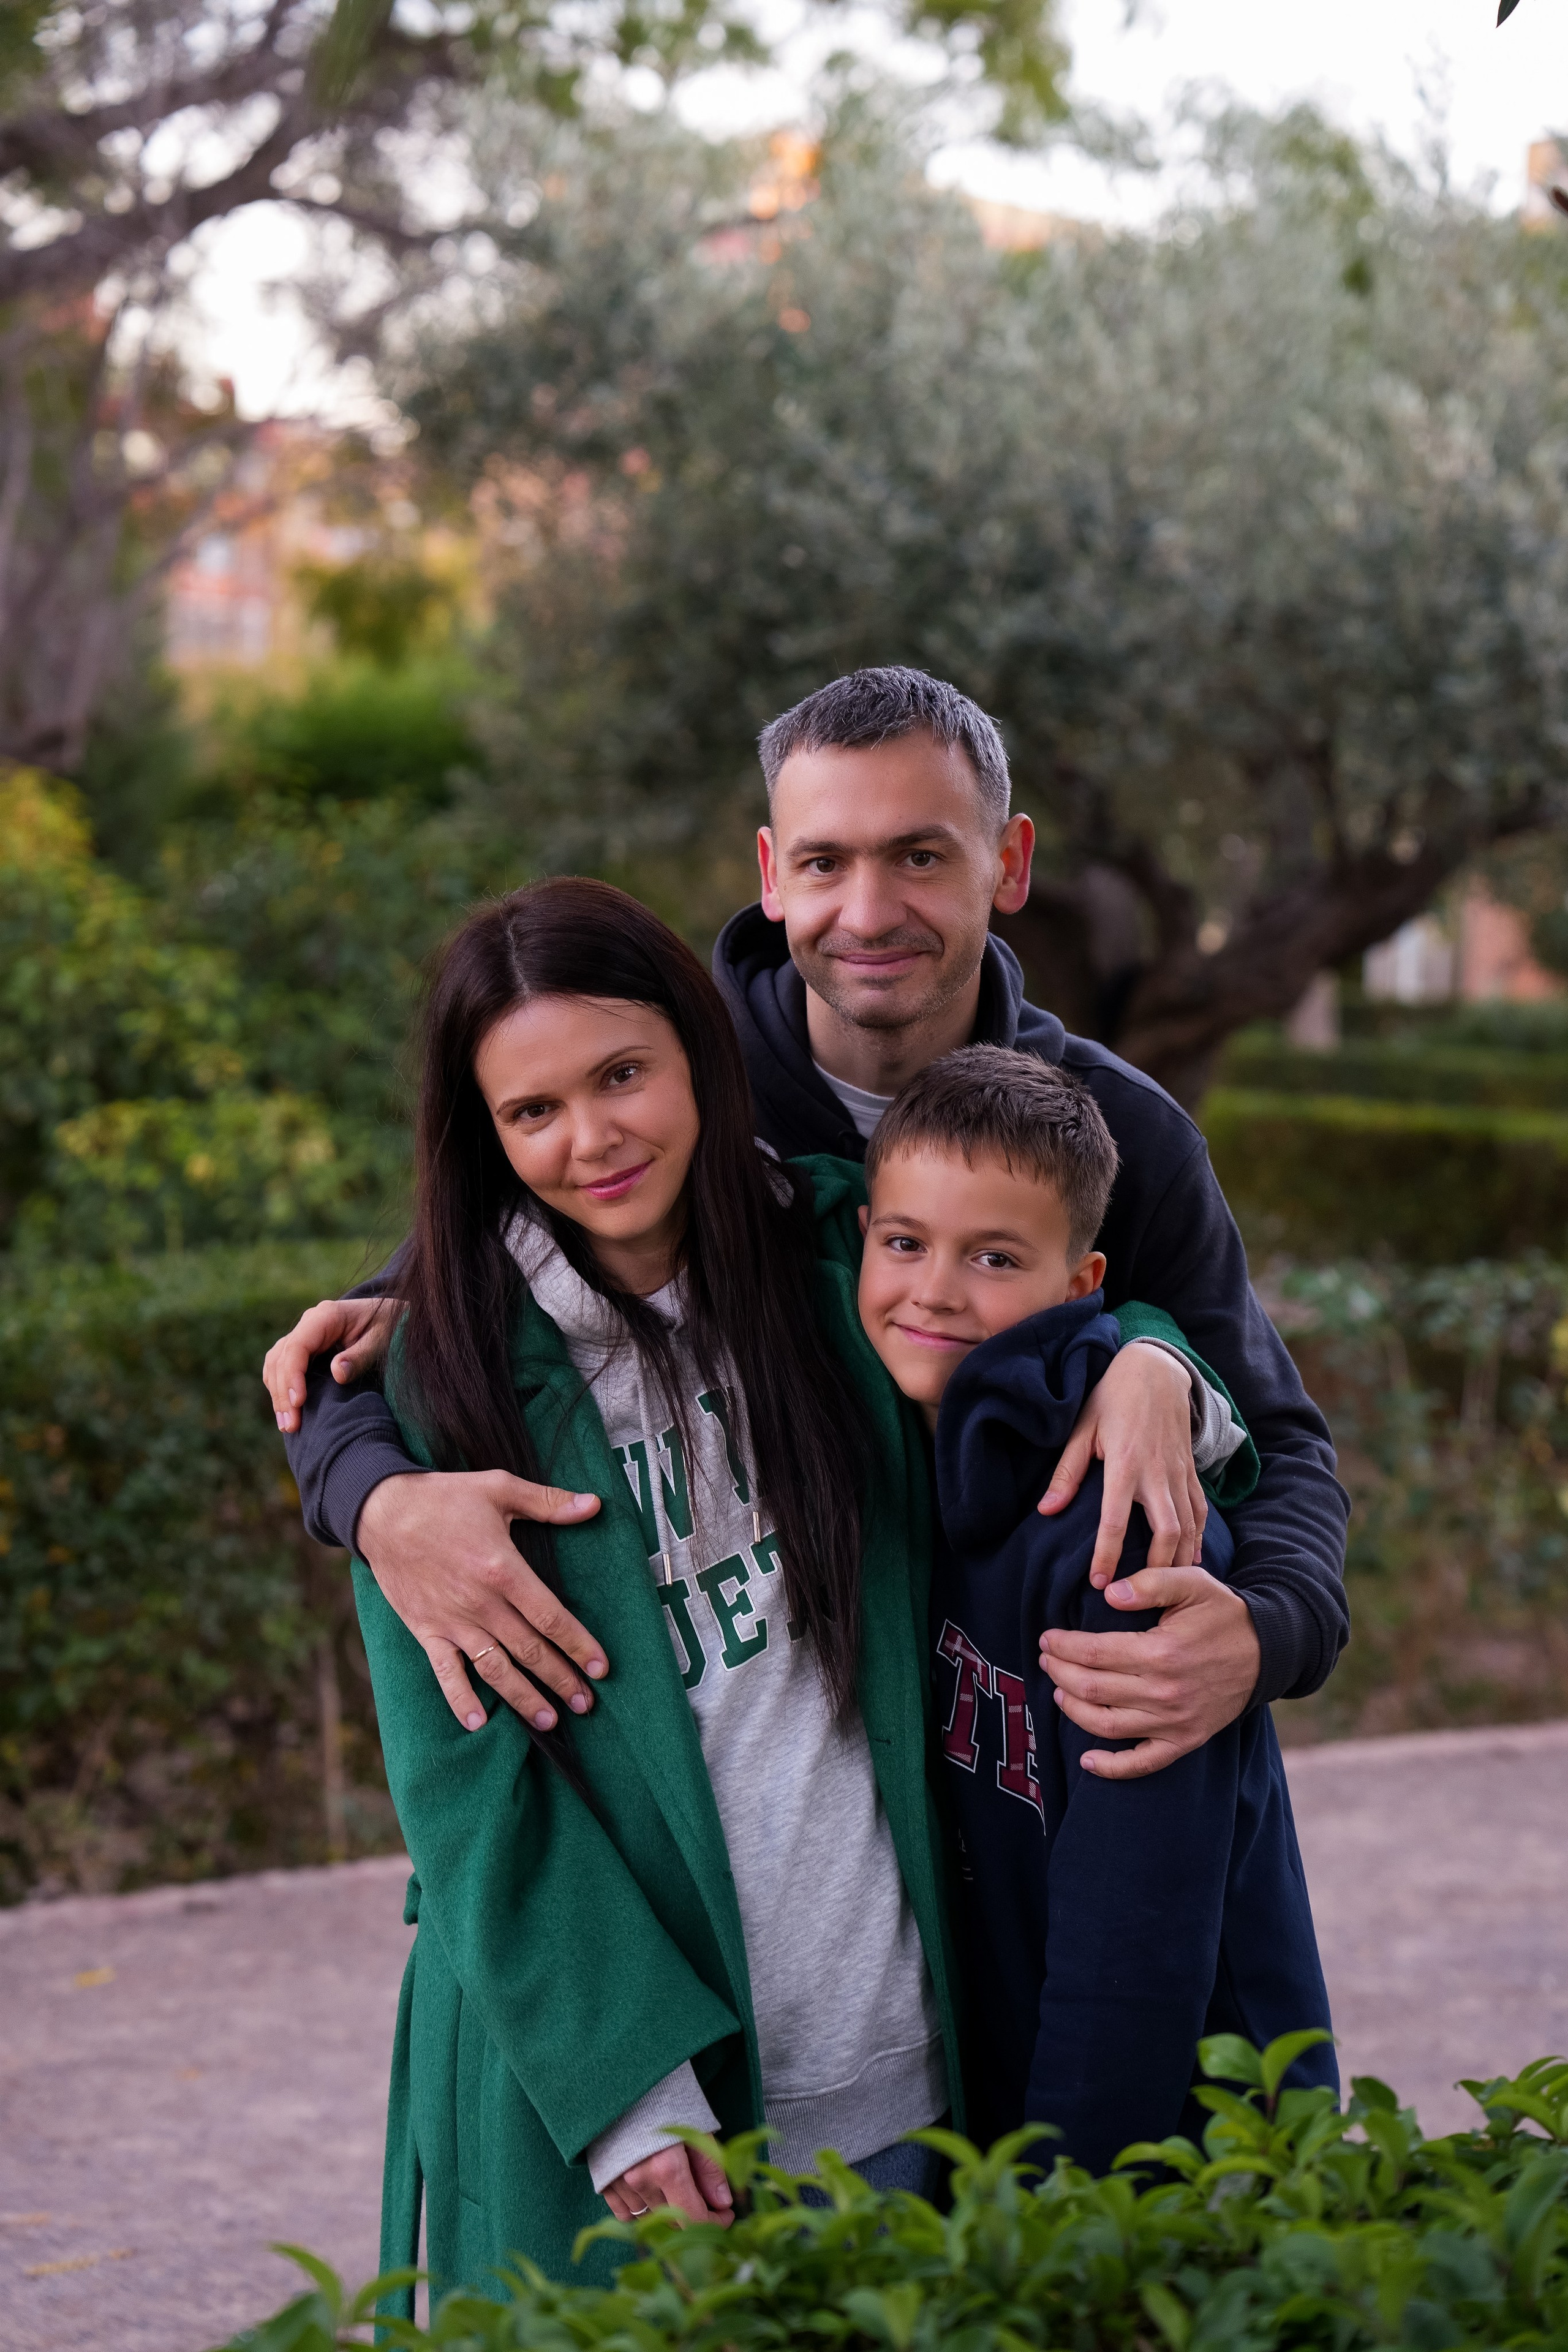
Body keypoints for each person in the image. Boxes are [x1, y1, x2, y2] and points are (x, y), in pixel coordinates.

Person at [262, 667, 1349, 1778]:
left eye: (921, 856)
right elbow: (362, 1345)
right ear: (775, 875)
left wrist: (1266, 1634)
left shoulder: (1123, 1133)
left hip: (1035, 1766)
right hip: (802, 1780)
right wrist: (377, 1500)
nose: (869, 914)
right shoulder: (666, 1102)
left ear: (1009, 864)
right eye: (827, 862)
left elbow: (1283, 1441)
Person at [361, 876, 965, 2304]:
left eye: (621, 1074)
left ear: (696, 1048)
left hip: (890, 2063)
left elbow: (1035, 1292)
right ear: (484, 1137)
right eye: (532, 1112)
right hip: (614, 2103)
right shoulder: (443, 1388)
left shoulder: (846, 1264)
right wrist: (631, 2102)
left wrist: (1145, 1375)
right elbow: (468, 1792)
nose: (591, 1139)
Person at [855, 1044, 1335, 2172]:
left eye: (995, 1257)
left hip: (1198, 2132)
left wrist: (1054, 2208)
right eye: (905, 1243)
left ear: (1083, 1286)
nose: (935, 1290)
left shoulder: (1124, 1539)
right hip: (1024, 2096)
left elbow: (1139, 1944)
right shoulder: (899, 1465)